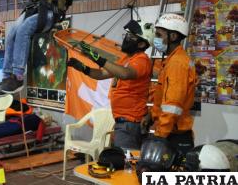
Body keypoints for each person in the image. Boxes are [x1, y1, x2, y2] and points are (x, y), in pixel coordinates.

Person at [67, 20, 154, 150]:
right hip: (124, 122)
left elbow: (125, 73)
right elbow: (102, 74)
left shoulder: (142, 60)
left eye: (131, 37)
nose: (126, 38)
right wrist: (84, 68)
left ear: (141, 43)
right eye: (126, 35)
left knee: (126, 163)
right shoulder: (126, 59)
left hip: (131, 122)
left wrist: (95, 56)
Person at [144, 13, 197, 156]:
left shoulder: (177, 64)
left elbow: (172, 105)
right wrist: (151, 115)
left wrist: (160, 135)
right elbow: (165, 98)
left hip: (172, 136)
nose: (156, 39)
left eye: (159, 35)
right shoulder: (173, 61)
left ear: (173, 37)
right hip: (171, 132)